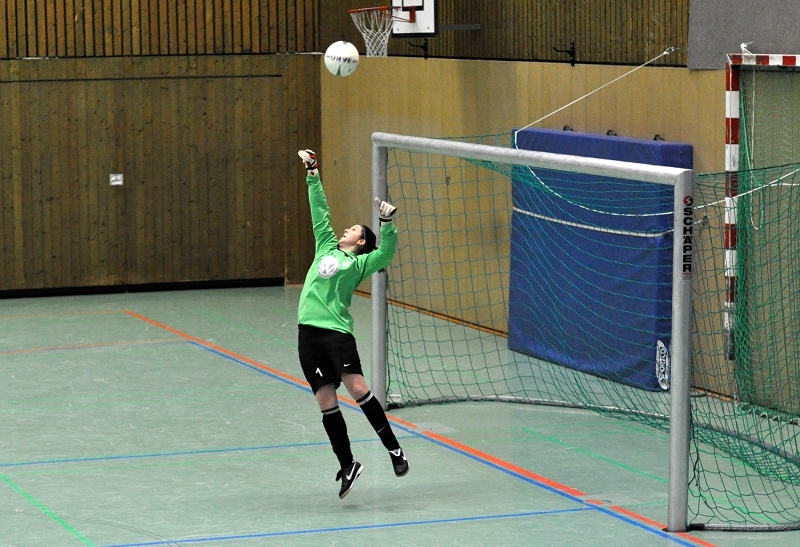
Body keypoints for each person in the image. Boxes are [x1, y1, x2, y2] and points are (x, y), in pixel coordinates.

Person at [296, 149, 408, 499]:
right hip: (307, 333)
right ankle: (347, 465)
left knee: (357, 388)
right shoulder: (325, 246)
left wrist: (386, 226)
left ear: (360, 242)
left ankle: (394, 450)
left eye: (354, 230)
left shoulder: (358, 264)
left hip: (336, 333)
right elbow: (320, 212)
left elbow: (385, 255)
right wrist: (312, 172)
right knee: (325, 399)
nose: (346, 229)